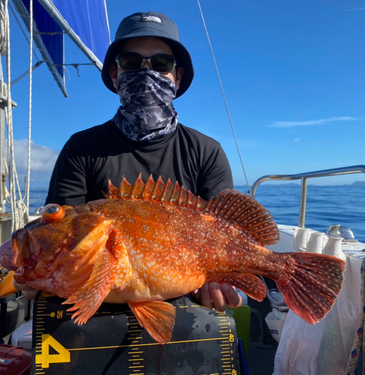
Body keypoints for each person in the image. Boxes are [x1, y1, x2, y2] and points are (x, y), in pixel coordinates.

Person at [15, 11, 242, 312]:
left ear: (178, 76)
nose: (146, 73)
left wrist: (220, 278)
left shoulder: (206, 151)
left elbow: (228, 232)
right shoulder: (81, 148)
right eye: (131, 63)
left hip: (186, 301)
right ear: (114, 74)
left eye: (161, 64)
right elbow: (62, 240)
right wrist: (38, 273)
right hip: (96, 308)